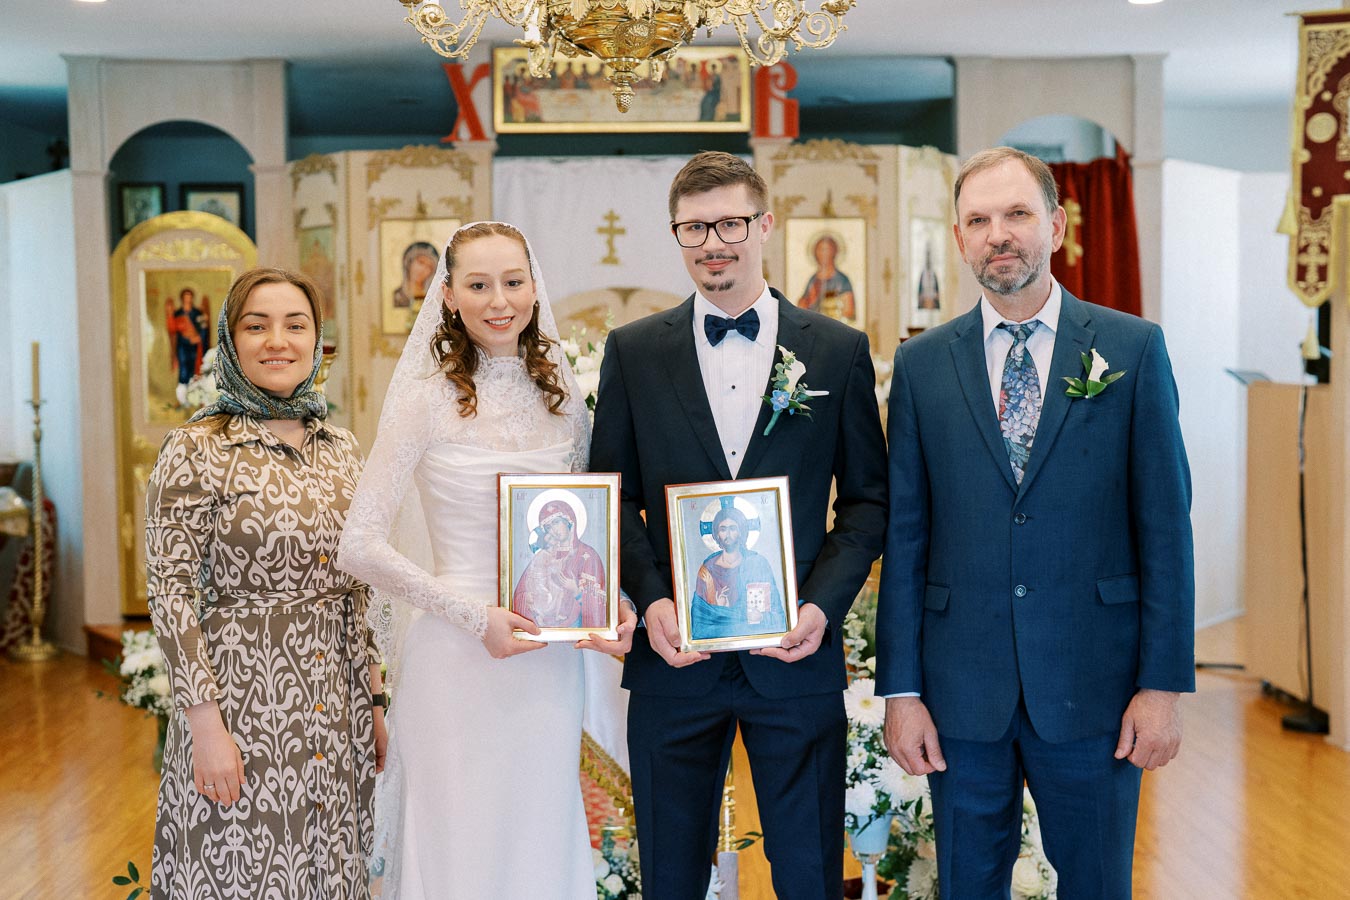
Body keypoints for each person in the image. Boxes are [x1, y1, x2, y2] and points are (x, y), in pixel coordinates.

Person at [875, 146, 1194, 899]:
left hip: (1097, 686)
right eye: (979, 220)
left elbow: (1166, 528)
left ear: (1055, 225)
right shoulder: (921, 366)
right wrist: (901, 691)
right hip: (961, 693)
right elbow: (906, 535)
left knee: (1097, 884)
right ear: (957, 240)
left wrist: (1162, 685)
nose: (999, 234)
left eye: (1017, 214)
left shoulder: (1132, 349)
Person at [590, 152, 888, 900]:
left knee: (809, 872)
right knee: (669, 873)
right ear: (677, 233)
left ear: (766, 224)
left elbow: (867, 500)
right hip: (674, 657)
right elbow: (613, 495)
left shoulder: (836, 350)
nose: (712, 242)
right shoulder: (632, 351)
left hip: (794, 656)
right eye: (694, 227)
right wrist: (653, 601)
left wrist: (819, 607)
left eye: (729, 223)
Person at [336, 221, 636, 899]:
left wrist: (613, 604)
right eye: (478, 284)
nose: (499, 300)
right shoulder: (421, 401)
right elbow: (360, 542)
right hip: (456, 659)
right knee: (456, 843)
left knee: (540, 833)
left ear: (535, 285)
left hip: (546, 663)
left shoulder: (563, 401)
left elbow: (590, 531)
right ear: (448, 295)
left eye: (513, 280)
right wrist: (474, 617)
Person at [146, 267, 385, 900]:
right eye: (257, 325)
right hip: (241, 703)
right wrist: (204, 727)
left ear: (317, 340)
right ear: (230, 339)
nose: (277, 341)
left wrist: (376, 701)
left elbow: (361, 586)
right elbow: (170, 594)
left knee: (331, 868)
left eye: (295, 324)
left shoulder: (342, 447)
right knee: (239, 870)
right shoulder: (196, 447)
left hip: (337, 706)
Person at [691, 504, 785, 640]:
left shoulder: (757, 563)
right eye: (723, 529)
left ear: (741, 531)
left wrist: (761, 617)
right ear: (716, 534)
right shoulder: (707, 569)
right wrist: (719, 607)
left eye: (732, 528)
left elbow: (778, 618)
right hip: (716, 644)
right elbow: (699, 625)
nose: (727, 534)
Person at [511, 497, 608, 628]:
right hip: (541, 627)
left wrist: (576, 591)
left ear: (569, 520)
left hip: (576, 629)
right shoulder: (543, 555)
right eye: (548, 527)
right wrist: (527, 597)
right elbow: (520, 594)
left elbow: (600, 605)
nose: (554, 530)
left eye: (556, 522)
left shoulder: (588, 555)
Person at [797, 234, 856, 321]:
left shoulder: (842, 280)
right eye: (819, 249)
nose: (822, 254)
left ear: (834, 252)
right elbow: (801, 307)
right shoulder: (813, 280)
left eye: (826, 249)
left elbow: (849, 310)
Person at [169, 287, 210, 406]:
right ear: (182, 298)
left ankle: (197, 399)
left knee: (195, 370)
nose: (188, 299)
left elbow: (203, 328)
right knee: (183, 371)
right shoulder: (178, 313)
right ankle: (182, 399)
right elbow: (174, 331)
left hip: (194, 347)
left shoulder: (197, 313)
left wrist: (199, 338)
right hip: (182, 346)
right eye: (185, 297)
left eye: (190, 297)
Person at [391, 241, 438, 310]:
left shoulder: (431, 298)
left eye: (429, 267)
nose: (423, 270)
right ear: (409, 262)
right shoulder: (398, 295)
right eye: (421, 262)